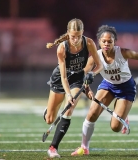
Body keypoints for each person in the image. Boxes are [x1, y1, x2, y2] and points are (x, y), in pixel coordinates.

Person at [71, 25, 138, 156]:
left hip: (126, 88)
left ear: (115, 41)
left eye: (110, 41)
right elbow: (83, 76)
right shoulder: (95, 57)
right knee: (91, 114)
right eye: (104, 41)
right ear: (99, 42)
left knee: (115, 127)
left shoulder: (123, 52)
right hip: (108, 85)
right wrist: (87, 89)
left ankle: (124, 117)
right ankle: (84, 147)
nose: (107, 44)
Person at [43, 18, 103, 158]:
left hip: (77, 79)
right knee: (50, 119)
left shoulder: (88, 43)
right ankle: (48, 111)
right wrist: (68, 94)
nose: (75, 39)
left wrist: (91, 74)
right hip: (60, 79)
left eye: (78, 36)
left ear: (82, 32)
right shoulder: (62, 48)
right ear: (68, 33)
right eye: (72, 36)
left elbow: (99, 65)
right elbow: (64, 77)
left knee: (69, 108)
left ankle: (53, 148)